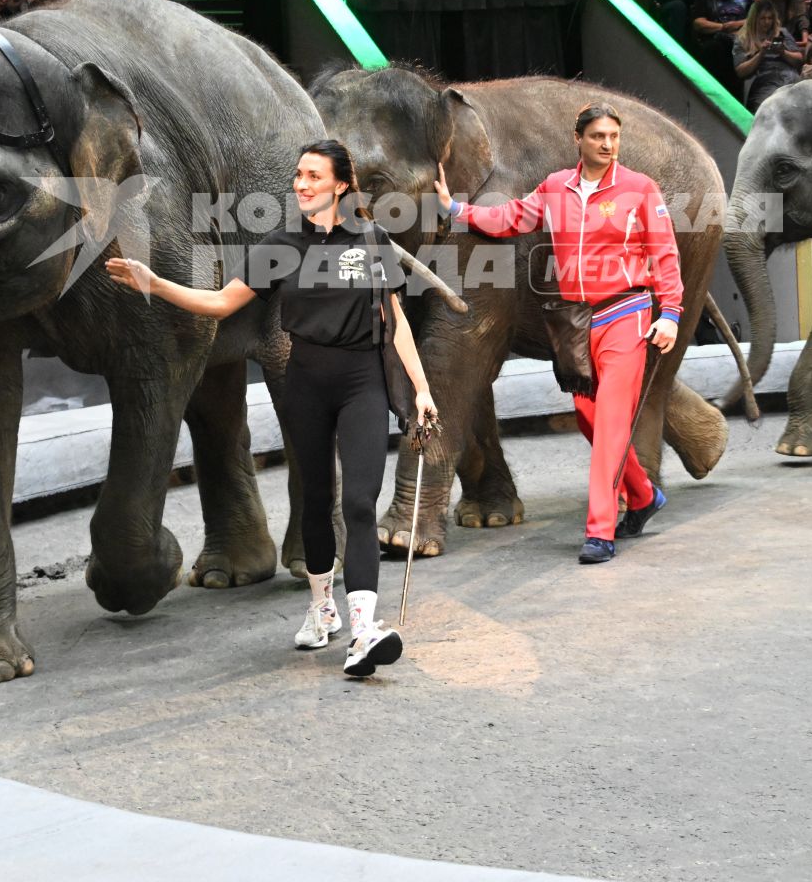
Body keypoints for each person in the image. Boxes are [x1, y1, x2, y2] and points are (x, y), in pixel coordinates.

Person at [107, 140, 434, 676]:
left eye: (312, 175)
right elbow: (219, 304)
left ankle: (363, 632)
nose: (302, 184)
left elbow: (395, 323)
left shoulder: (373, 240)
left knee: (358, 501)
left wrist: (420, 389)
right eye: (298, 176)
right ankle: (321, 605)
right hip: (306, 382)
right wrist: (158, 283)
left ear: (341, 184)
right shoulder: (280, 245)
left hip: (362, 383)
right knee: (317, 502)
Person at [433, 103, 680, 562]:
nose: (608, 144)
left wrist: (671, 313)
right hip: (576, 323)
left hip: (628, 314)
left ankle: (600, 531)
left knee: (609, 424)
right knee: (588, 417)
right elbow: (510, 219)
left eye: (614, 136)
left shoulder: (640, 189)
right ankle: (644, 495)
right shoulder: (555, 188)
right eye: (598, 136)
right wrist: (455, 210)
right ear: (578, 139)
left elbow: (664, 254)